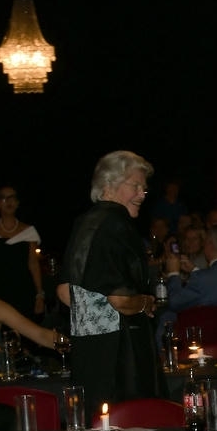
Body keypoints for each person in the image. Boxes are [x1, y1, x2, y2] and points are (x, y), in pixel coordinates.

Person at [61, 150, 160, 408]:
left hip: (88, 350)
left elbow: (64, 292)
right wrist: (146, 302)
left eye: (144, 188)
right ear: (108, 184)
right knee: (132, 422)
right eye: (135, 186)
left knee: (96, 424)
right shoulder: (117, 223)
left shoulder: (83, 223)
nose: (142, 194)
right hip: (122, 353)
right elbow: (121, 299)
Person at [0, 186, 45, 320]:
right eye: (4, 198)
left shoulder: (29, 231)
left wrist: (39, 295)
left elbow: (33, 264)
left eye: (13, 198)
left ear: (17, 203)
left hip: (24, 290)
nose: (9, 201)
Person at [163, 223, 217, 313]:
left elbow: (175, 303)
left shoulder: (202, 278)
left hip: (206, 321)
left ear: (211, 245)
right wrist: (194, 269)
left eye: (205, 242)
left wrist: (173, 273)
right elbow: (214, 282)